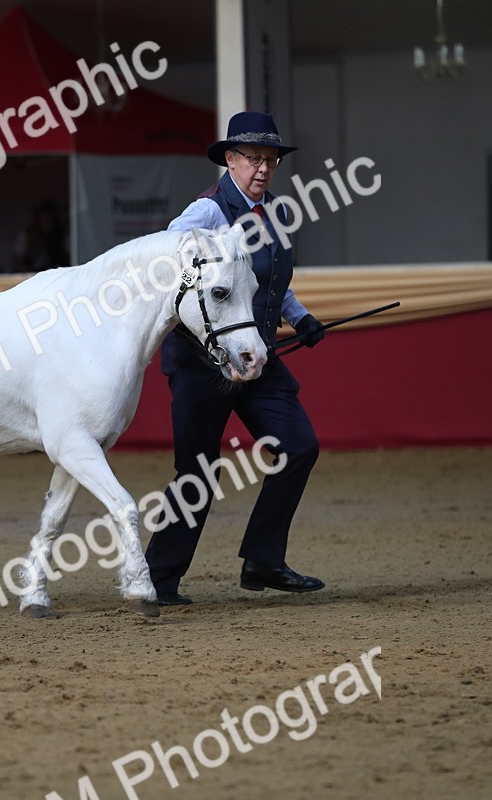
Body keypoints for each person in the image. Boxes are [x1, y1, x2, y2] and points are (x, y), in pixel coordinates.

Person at [145, 111, 327, 605]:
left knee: (299, 445)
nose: (262, 168)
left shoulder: (277, 214)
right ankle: (158, 581)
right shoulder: (204, 214)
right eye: (252, 158)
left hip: (256, 354)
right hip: (202, 364)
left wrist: (301, 316)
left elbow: (267, 282)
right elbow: (169, 265)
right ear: (230, 160)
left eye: (270, 159)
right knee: (199, 473)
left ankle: (263, 560)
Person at [15, 199, 69, 272]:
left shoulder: (62, 236)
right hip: (32, 276)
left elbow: (70, 258)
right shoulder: (28, 235)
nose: (47, 224)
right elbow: (18, 260)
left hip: (56, 275)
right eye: (44, 221)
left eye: (50, 221)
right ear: (37, 220)